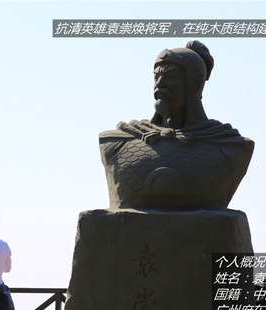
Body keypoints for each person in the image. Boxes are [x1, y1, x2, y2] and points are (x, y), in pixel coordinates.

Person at [98, 40, 254, 211]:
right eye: (156, 76)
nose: (159, 84)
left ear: (195, 84)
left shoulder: (229, 146)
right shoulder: (117, 143)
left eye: (170, 77)